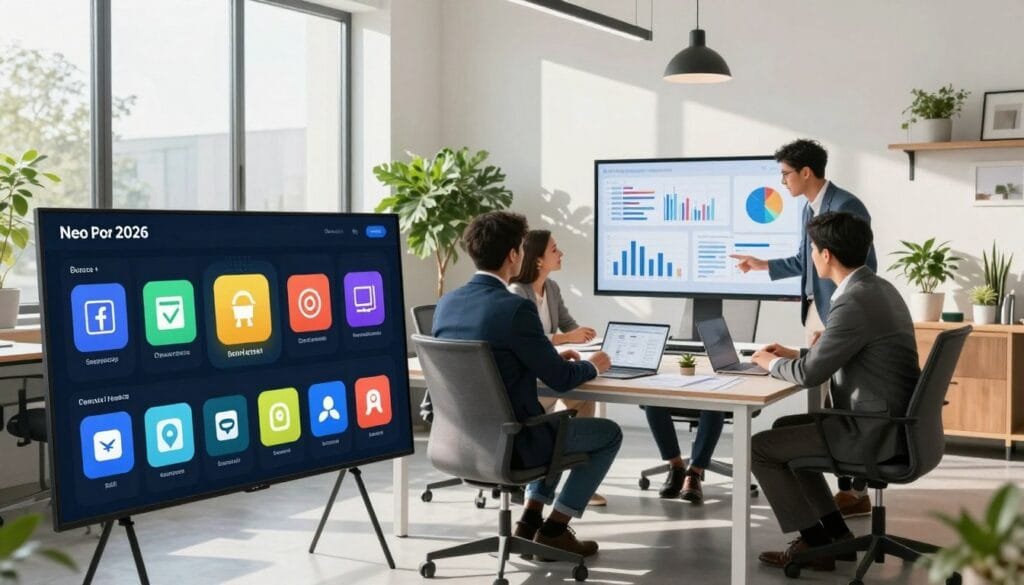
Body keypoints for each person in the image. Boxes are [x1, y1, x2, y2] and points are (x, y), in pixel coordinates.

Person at [433, 211, 622, 559]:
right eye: (520, 246)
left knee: (551, 431)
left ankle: (528, 521)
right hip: (514, 443)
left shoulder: (447, 304)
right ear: (513, 256)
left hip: (458, 442)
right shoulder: (515, 308)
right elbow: (562, 380)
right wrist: (593, 366)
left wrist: (549, 356)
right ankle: (554, 529)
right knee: (608, 434)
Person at [748, 212, 920, 572]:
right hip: (895, 424)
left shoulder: (853, 301)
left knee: (761, 448)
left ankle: (814, 542)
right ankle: (836, 537)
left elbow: (811, 376)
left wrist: (767, 363)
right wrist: (794, 354)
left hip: (871, 431)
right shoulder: (877, 288)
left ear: (826, 255)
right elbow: (853, 349)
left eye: (812, 248)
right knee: (783, 431)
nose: (811, 255)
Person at [730, 138, 877, 518]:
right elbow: (805, 260)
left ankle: (855, 487)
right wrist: (762, 265)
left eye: (785, 174)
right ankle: (840, 487)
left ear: (806, 172)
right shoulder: (808, 208)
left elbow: (864, 267)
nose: (782, 182)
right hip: (818, 311)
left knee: (838, 393)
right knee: (825, 394)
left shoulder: (846, 206)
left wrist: (840, 319)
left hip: (840, 312)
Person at [509, 230, 607, 507]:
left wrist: (586, 337)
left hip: (550, 368)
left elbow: (568, 324)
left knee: (585, 398)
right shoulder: (517, 292)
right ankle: (544, 484)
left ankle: (580, 483)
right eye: (554, 249)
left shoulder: (551, 288)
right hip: (532, 378)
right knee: (575, 398)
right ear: (538, 260)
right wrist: (564, 339)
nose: (561, 253)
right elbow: (529, 339)